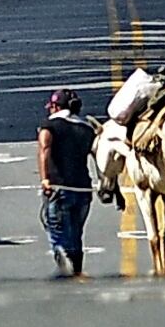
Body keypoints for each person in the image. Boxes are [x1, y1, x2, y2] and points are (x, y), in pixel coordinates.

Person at [36, 88, 99, 278]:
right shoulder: (88, 129)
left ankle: (62, 253)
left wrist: (45, 179)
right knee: (76, 231)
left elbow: (44, 149)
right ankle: (77, 268)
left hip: (59, 188)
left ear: (55, 106)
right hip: (83, 189)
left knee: (55, 227)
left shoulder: (50, 126)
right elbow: (98, 157)